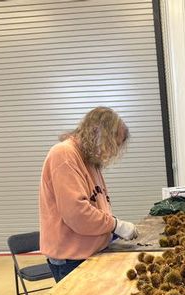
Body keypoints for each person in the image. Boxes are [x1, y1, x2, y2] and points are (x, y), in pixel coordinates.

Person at [39, 106, 138, 282]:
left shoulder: (91, 160)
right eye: (113, 143)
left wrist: (112, 230)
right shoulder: (64, 155)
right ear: (98, 133)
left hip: (92, 252)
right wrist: (115, 225)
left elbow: (99, 204)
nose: (113, 152)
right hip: (72, 259)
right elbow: (77, 214)